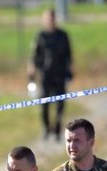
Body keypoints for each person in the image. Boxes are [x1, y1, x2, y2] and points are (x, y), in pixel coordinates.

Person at [28, 8, 72, 140]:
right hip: (45, 75)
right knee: (44, 105)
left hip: (59, 75)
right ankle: (46, 128)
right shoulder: (40, 36)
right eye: (48, 18)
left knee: (60, 105)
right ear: (44, 20)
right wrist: (31, 69)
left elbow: (69, 55)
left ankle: (58, 130)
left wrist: (70, 71)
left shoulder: (63, 35)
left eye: (52, 18)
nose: (50, 21)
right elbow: (34, 55)